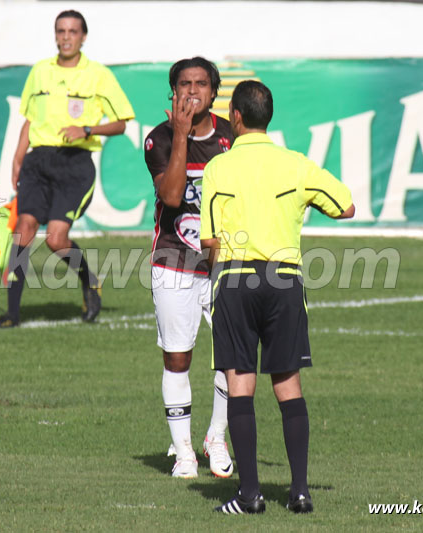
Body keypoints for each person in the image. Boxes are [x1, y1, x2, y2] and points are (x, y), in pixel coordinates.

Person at [200, 80, 355, 514]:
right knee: (288, 385)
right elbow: (346, 207)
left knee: (240, 385)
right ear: (269, 117)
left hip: (234, 280)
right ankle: (300, 491)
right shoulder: (295, 164)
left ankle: (249, 495)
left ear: (235, 116)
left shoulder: (220, 167)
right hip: (284, 281)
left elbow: (208, 238)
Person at [0, 9, 135, 328]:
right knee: (24, 229)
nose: (66, 37)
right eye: (61, 31)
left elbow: (121, 124)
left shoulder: (98, 74)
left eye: (73, 31)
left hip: (75, 164)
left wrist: (87, 129)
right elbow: (29, 119)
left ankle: (89, 281)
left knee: (56, 240)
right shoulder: (40, 71)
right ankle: (12, 314)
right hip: (38, 160)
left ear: (83, 37)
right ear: (55, 35)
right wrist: (18, 157)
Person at [143, 57, 234, 479]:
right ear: (172, 92)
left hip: (226, 266)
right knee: (177, 359)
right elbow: (174, 196)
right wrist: (181, 135)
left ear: (214, 92)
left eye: (200, 84)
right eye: (184, 84)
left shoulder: (233, 136)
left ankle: (216, 437)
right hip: (174, 262)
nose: (192, 91)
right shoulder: (159, 138)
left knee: (233, 359)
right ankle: (184, 453)